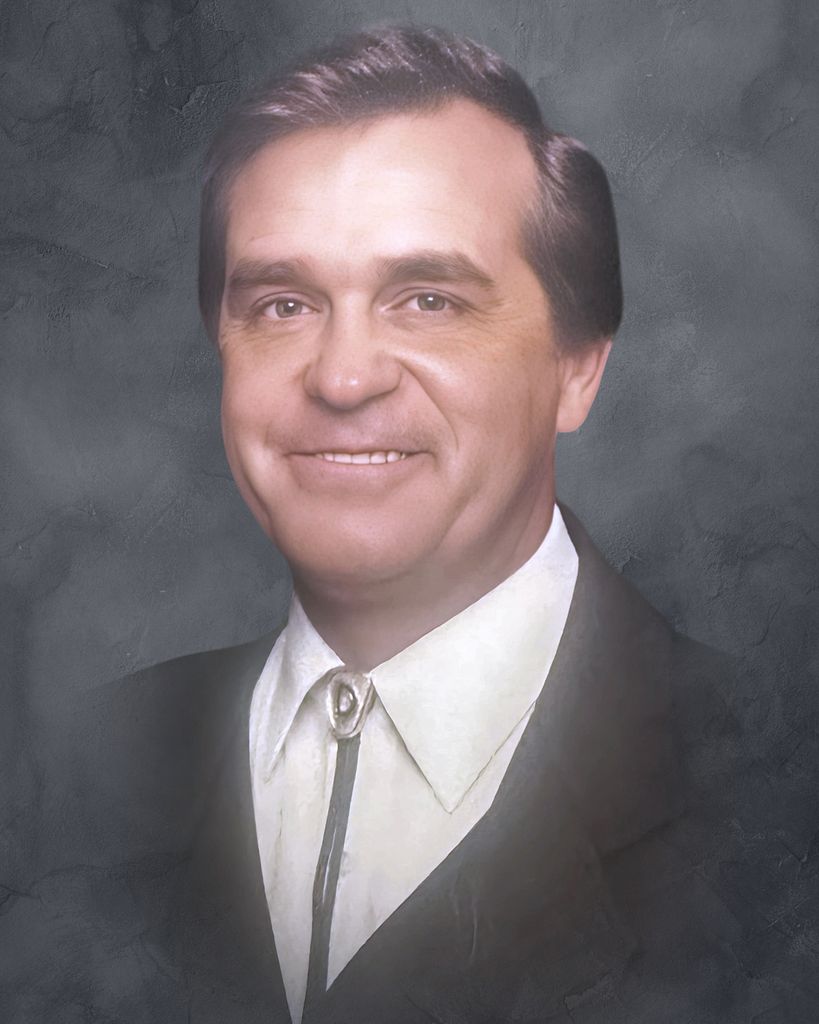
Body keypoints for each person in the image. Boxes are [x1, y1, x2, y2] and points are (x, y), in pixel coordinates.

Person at [10, 24, 809, 1024]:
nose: (344, 378)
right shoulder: (63, 775)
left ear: (577, 366)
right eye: (284, 305)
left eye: (428, 300)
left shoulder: (776, 792)